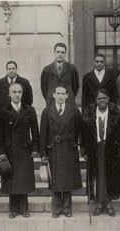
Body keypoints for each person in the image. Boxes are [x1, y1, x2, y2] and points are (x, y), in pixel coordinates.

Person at [0, 83, 40, 218]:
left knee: (24, 180)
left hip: (25, 150)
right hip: (9, 151)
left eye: (19, 92)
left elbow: (35, 131)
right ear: (9, 94)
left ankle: (24, 208)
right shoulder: (3, 111)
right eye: (14, 92)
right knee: (11, 180)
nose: (17, 95)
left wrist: (35, 148)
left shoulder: (29, 110)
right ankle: (13, 209)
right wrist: (1, 152)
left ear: (22, 94)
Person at [40, 86, 83, 218]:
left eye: (62, 94)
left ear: (66, 96)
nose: (60, 96)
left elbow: (79, 130)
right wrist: (43, 154)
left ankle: (67, 207)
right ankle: (57, 208)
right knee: (55, 180)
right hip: (53, 149)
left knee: (68, 180)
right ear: (53, 95)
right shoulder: (47, 111)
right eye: (57, 93)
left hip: (69, 148)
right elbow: (43, 134)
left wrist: (79, 146)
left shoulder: (74, 111)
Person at [82, 88, 120, 217]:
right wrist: (83, 149)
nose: (102, 100)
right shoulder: (89, 112)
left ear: (109, 100)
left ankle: (109, 203)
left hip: (111, 149)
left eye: (104, 98)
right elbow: (83, 133)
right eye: (99, 98)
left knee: (109, 177)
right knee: (97, 177)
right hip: (95, 149)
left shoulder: (116, 113)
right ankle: (99, 204)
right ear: (96, 100)